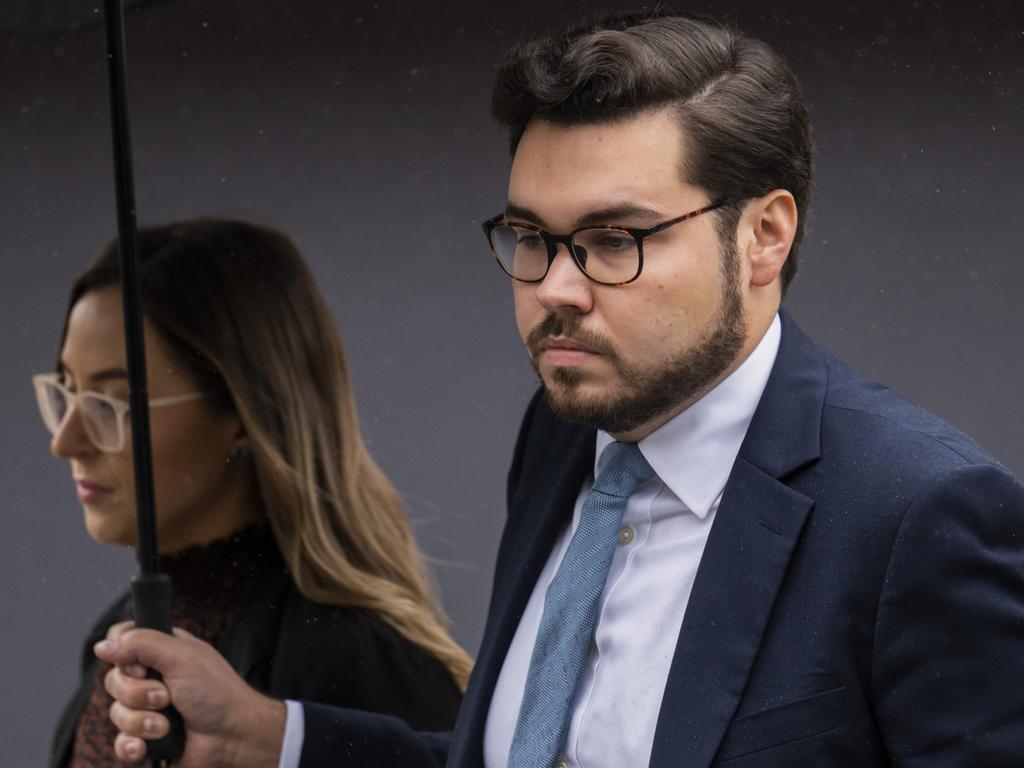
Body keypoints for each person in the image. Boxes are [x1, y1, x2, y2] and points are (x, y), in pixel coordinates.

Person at [96, 11, 1024, 768]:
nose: (554, 289)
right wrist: (274, 737)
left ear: (765, 238)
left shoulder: (918, 516)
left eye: (616, 239)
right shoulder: (561, 435)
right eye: (529, 236)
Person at [35, 218, 469, 767]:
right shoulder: (120, 636)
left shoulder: (356, 657)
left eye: (110, 403)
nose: (65, 441)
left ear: (242, 413)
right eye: (66, 393)